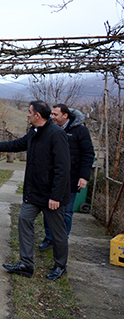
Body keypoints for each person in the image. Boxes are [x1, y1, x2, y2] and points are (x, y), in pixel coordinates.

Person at [0, 100, 70, 280]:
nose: (27, 114)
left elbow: (63, 168)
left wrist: (56, 195)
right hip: (34, 194)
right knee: (24, 221)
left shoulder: (56, 134)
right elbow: (17, 144)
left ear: (37, 116)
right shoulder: (34, 132)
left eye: (30, 112)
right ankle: (26, 263)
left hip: (51, 196)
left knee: (58, 233)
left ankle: (60, 265)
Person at [38, 104, 95, 251]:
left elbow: (88, 154)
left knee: (67, 212)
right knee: (48, 209)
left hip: (71, 179)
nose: (52, 117)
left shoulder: (80, 131)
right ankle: (49, 238)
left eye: (56, 114)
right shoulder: (50, 130)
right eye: (52, 114)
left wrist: (84, 177)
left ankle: (62, 239)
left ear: (66, 116)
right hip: (51, 179)